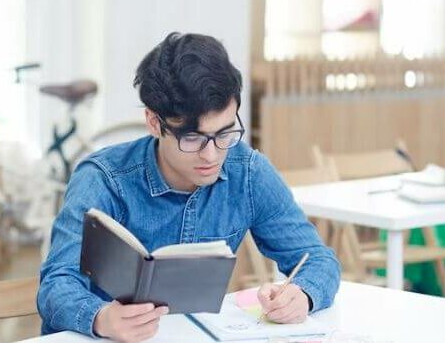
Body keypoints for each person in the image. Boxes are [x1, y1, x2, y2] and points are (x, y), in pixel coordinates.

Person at [37, 32, 341, 342]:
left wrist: (303, 294)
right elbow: (57, 285)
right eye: (192, 138)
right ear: (154, 123)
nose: (211, 155)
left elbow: (318, 259)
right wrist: (101, 318)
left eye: (224, 133)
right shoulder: (103, 178)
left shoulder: (248, 172)